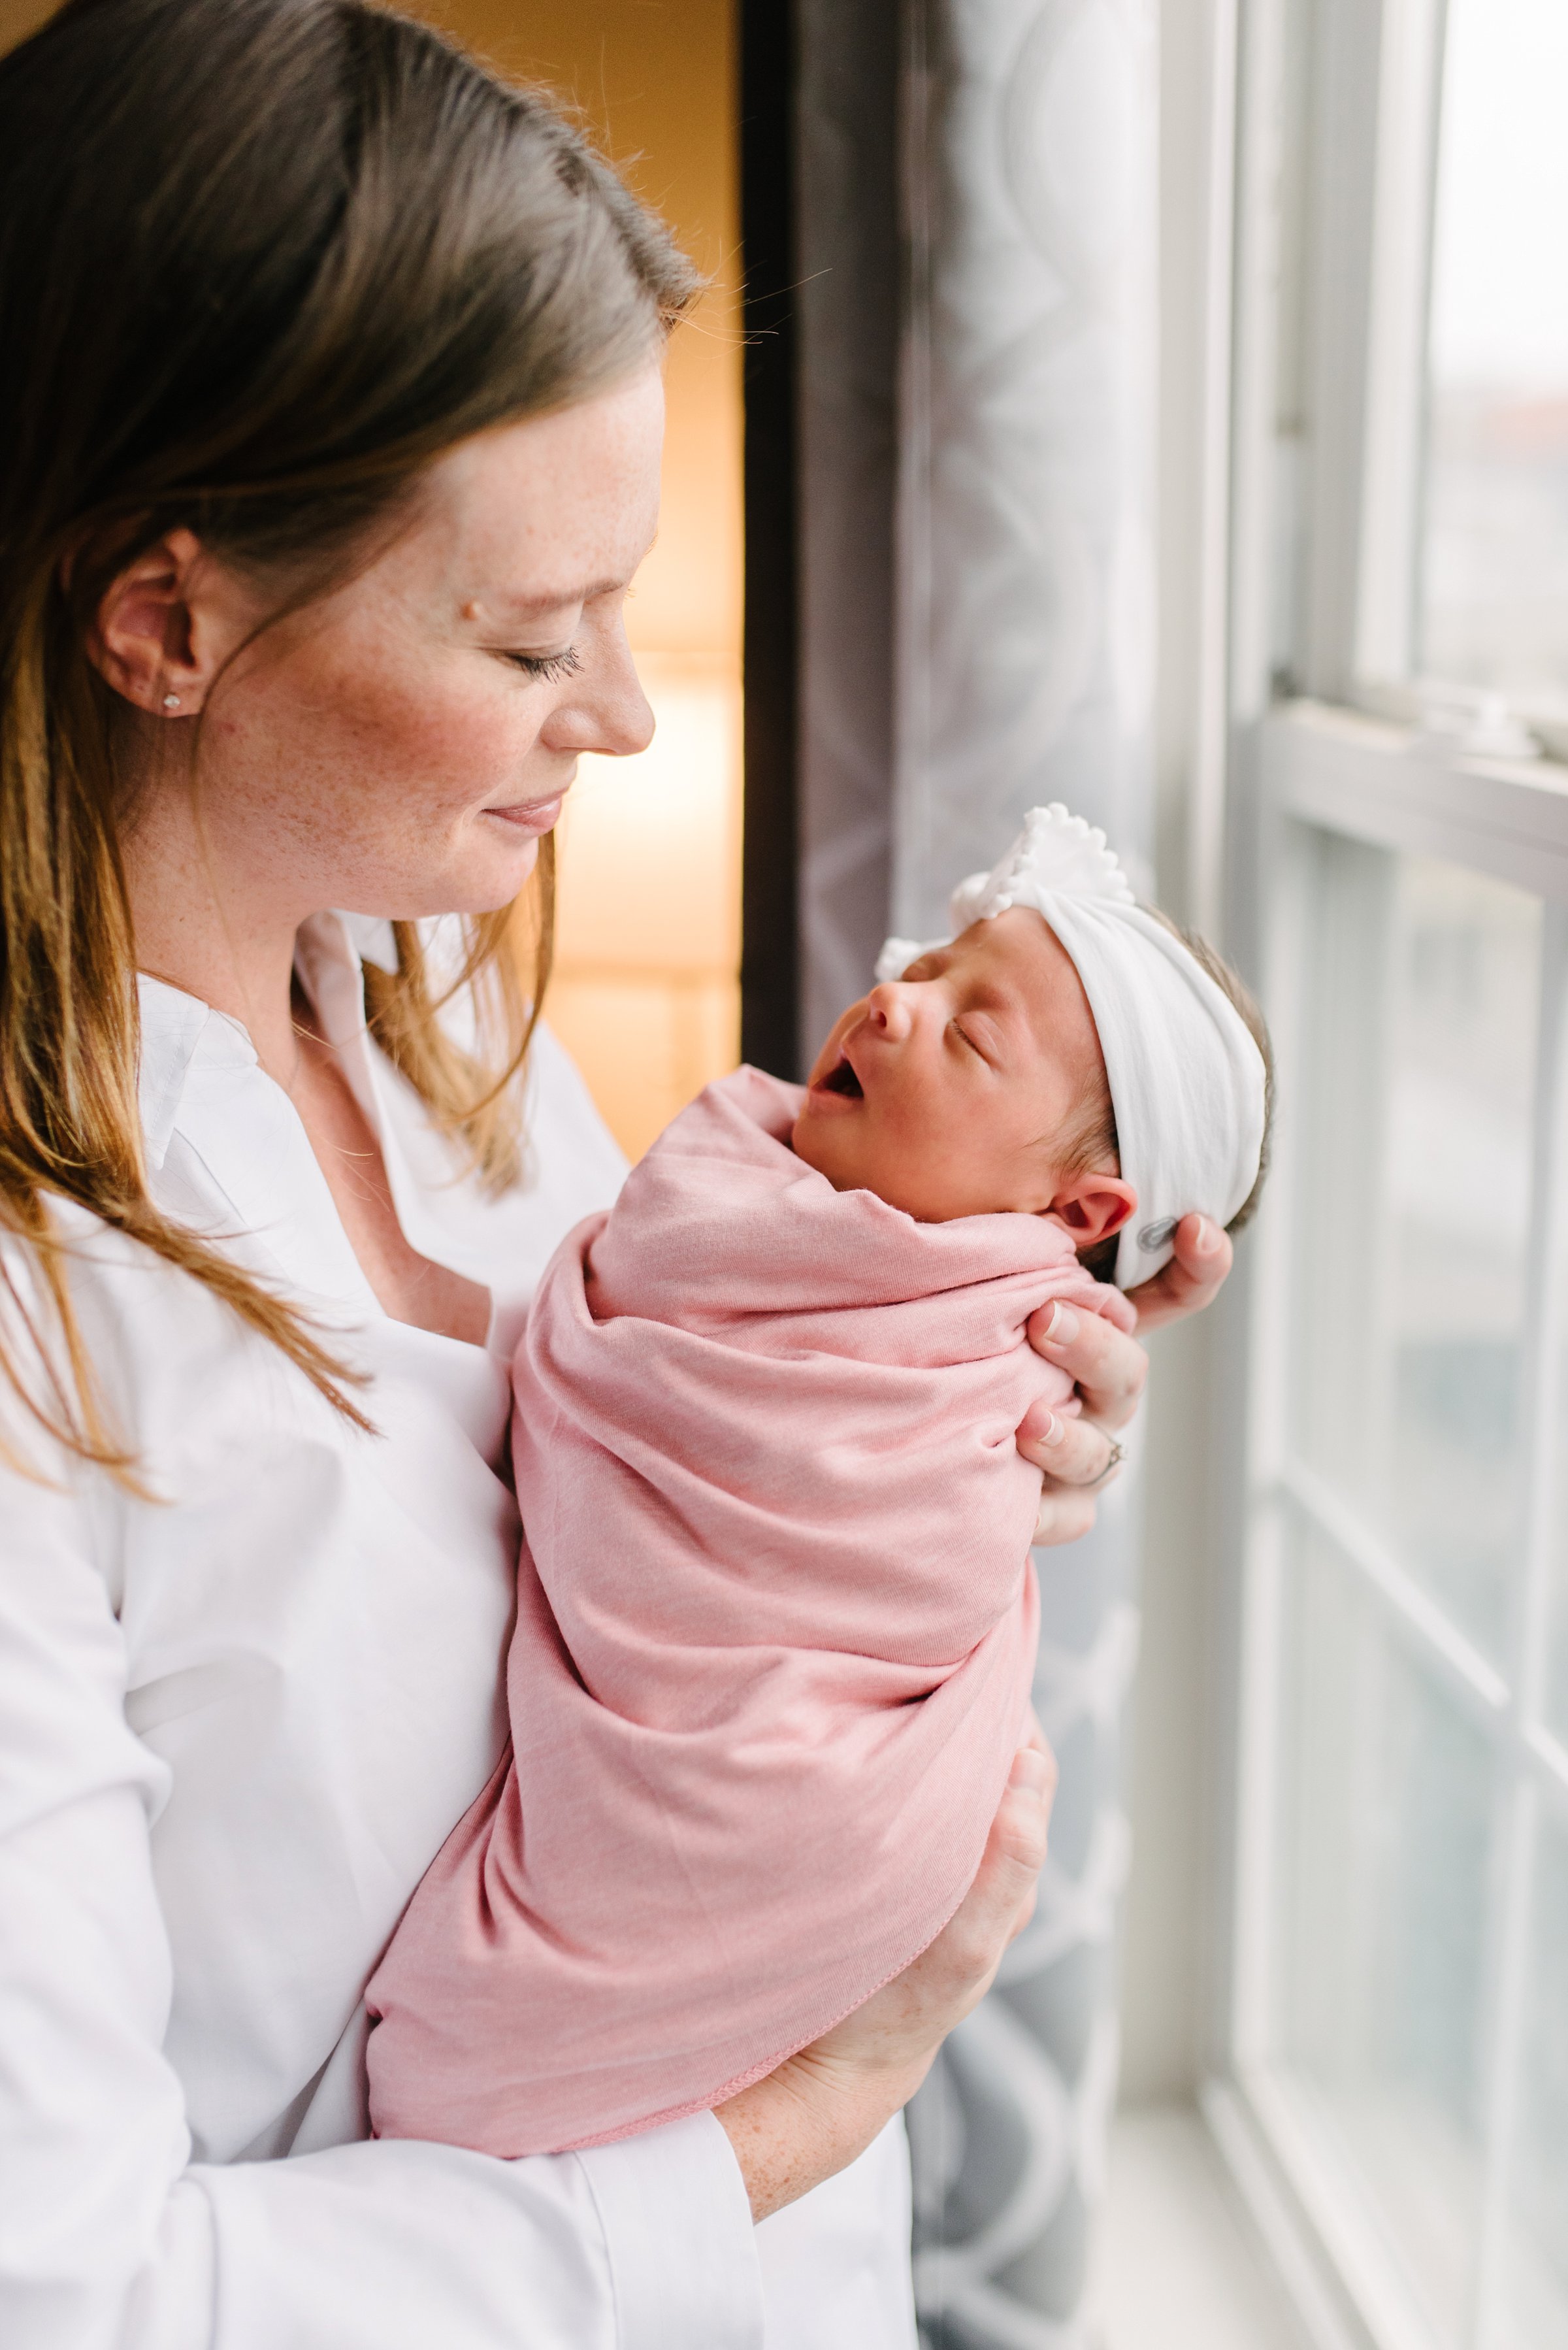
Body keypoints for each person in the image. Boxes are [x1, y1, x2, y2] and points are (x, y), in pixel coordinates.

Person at [0, 5, 1234, 2347]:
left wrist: (944, 1386)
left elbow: (666, 1482)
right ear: (166, 622)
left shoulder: (437, 1011)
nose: (629, 712)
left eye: (625, 605)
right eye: (529, 635)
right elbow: (69, 2295)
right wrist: (802, 2115)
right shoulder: (44, 1324)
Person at [363, 807, 1271, 2161]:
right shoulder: (750, 1182)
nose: (896, 1003)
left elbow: (869, 1532)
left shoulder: (1006, 1348)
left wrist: (1002, 1442)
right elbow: (659, 1347)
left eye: (971, 1034)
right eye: (929, 970)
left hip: (798, 1806)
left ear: (1080, 1220)